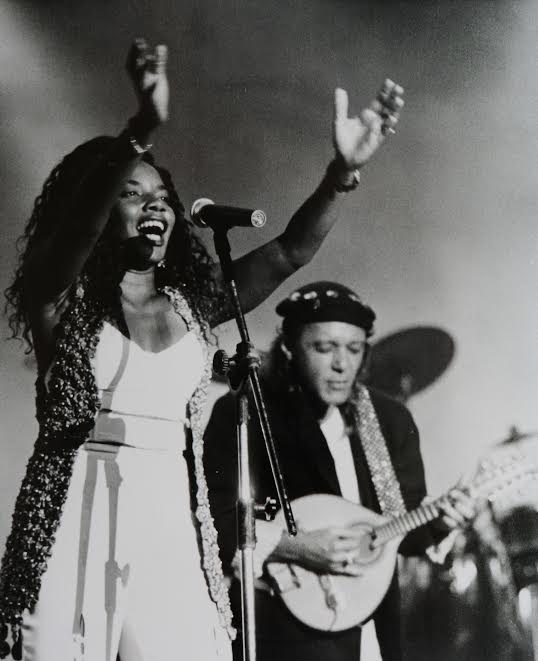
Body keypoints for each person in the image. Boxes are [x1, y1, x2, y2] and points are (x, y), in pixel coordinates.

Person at [0, 37, 404, 661]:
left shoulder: (192, 307)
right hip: (73, 513)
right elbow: (76, 229)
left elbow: (290, 251)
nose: (154, 206)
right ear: (102, 210)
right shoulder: (63, 300)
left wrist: (340, 175)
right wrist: (140, 128)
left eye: (161, 197)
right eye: (132, 195)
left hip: (171, 517)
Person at [204, 281, 476, 661]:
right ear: (289, 347)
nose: (341, 364)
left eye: (353, 348)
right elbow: (215, 519)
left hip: (371, 627)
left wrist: (444, 521)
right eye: (324, 348)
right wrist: (297, 548)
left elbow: (403, 528)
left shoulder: (389, 419)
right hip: (284, 631)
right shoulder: (245, 413)